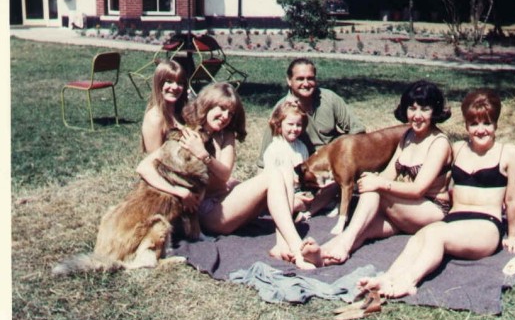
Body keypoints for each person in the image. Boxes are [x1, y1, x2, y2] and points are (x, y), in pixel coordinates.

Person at [356, 88, 515, 298]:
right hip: (453, 220)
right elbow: (433, 172)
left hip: (485, 225)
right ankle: (387, 278)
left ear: (496, 124)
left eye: (487, 123)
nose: (480, 130)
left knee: (436, 235)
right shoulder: (458, 149)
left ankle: (408, 282)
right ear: (466, 125)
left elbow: (512, 199)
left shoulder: (509, 153)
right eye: (474, 124)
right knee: (421, 235)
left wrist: (513, 236)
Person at [136, 82, 321, 270]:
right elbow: (144, 167)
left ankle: (282, 245)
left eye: (230, 113)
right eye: (222, 109)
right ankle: (297, 249)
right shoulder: (188, 133)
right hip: (206, 213)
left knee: (284, 173)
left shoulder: (226, 135)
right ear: (207, 104)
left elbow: (224, 174)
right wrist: (180, 192)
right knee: (274, 175)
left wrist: (203, 155)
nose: (225, 117)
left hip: (224, 200)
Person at [318, 80, 453, 265]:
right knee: (361, 230)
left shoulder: (439, 143)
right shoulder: (408, 136)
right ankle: (324, 254)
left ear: (435, 112)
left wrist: (378, 184)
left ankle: (343, 244)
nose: (417, 116)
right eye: (412, 108)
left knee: (375, 191)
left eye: (425, 109)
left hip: (430, 210)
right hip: (405, 211)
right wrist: (370, 178)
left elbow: (418, 189)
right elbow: (388, 174)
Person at [257, 57, 366, 214]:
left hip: (334, 164)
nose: (306, 83)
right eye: (300, 79)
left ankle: (306, 208)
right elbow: (263, 161)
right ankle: (300, 207)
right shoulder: (281, 110)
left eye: (310, 78)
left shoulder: (329, 99)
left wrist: (343, 155)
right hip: (303, 170)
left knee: (337, 179)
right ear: (289, 81)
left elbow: (358, 130)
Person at [262, 100, 316, 258]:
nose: (295, 129)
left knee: (316, 196)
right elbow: (272, 181)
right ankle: (288, 228)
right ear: (279, 124)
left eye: (298, 125)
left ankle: (297, 213)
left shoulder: (301, 148)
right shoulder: (274, 149)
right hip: (281, 195)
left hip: (299, 192)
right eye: (290, 124)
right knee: (296, 203)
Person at [141, 60, 188, 153]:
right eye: (169, 81)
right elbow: (154, 160)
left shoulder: (181, 112)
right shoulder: (155, 118)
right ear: (159, 84)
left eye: (180, 83)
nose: (175, 87)